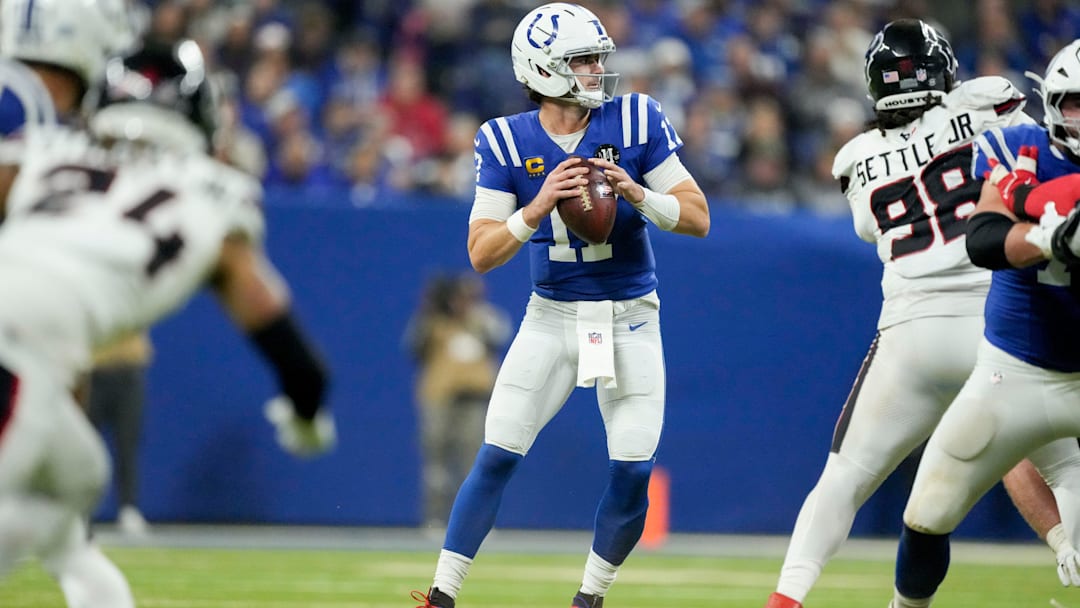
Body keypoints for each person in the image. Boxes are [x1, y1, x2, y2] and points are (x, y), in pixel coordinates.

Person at [0, 36, 337, 608]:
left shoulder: (42, 150)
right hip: (19, 350)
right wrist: (307, 417)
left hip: (27, 352)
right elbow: (292, 353)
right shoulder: (216, 195)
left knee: (79, 478)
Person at [413, 3, 710, 608]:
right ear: (542, 69)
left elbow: (698, 216)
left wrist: (638, 194)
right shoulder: (504, 139)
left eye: (598, 57)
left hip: (630, 315)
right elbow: (482, 253)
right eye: (582, 59)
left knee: (633, 469)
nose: (597, 69)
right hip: (551, 317)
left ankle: (589, 599)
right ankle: (441, 597)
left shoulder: (636, 118)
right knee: (497, 454)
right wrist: (536, 205)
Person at [764, 18, 1042, 608]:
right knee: (1061, 458)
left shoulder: (855, 157)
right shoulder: (987, 104)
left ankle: (786, 598)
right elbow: (1037, 158)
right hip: (992, 316)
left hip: (909, 333)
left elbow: (870, 228)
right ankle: (1069, 551)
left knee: (843, 477)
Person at [889, 38, 1080, 607]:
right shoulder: (1020, 149)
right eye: (1078, 103)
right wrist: (1049, 237)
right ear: (1053, 104)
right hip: (1015, 368)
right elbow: (986, 239)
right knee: (927, 512)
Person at [404, 272, 510, 531]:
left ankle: (475, 522)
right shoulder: (433, 322)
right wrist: (430, 311)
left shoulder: (483, 319)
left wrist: (474, 312)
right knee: (436, 464)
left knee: (474, 461)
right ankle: (435, 520)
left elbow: (501, 334)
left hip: (474, 399)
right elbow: (413, 347)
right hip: (439, 399)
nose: (463, 302)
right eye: (459, 297)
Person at [86, 333, 153, 536]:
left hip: (128, 375)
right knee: (86, 449)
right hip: (93, 376)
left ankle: (128, 509)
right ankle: (81, 511)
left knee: (127, 447)